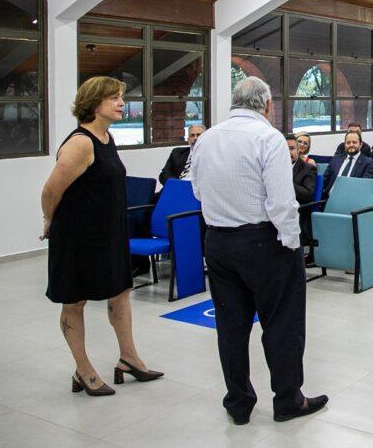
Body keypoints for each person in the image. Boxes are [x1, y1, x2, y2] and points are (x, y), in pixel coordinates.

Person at [190, 77, 327, 424]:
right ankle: (288, 400)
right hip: (265, 242)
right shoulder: (268, 138)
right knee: (282, 324)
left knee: (230, 327)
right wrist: (292, 245)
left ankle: (238, 403)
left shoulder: (206, 139)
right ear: (267, 105)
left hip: (218, 242)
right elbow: (282, 202)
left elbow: (197, 191)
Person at [41, 76, 162, 397]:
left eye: (121, 97)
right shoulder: (80, 143)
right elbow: (51, 191)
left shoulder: (106, 137)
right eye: (115, 98)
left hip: (108, 233)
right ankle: (83, 370)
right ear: (94, 103)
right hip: (77, 237)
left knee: (120, 293)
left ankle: (129, 359)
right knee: (75, 301)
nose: (122, 103)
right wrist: (48, 219)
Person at [286, 132, 318, 254]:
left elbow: (308, 194)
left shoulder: (308, 168)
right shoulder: (274, 166)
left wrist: (286, 182)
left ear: (297, 150)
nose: (288, 152)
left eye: (291, 148)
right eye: (285, 149)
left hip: (298, 209)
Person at [325, 130, 373, 195]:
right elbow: (325, 179)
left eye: (354, 142)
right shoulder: (336, 159)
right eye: (348, 143)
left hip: (352, 197)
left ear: (360, 144)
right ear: (344, 144)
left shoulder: (368, 163)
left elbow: (364, 186)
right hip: (329, 197)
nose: (351, 145)